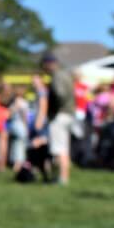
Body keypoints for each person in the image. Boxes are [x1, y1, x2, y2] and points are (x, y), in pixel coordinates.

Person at [41, 53, 75, 184]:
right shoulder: (66, 74)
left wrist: (54, 110)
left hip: (59, 115)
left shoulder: (57, 76)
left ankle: (61, 178)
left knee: (59, 149)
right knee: (64, 148)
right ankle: (62, 177)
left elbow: (59, 94)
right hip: (68, 114)